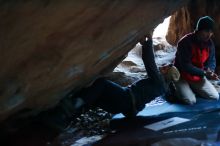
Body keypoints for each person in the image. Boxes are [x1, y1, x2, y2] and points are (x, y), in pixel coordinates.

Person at [71, 33, 176, 118]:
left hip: (124, 99)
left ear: (167, 74)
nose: (164, 66)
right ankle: (71, 113)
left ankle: (73, 107)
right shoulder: (164, 86)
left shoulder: (159, 81)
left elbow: (149, 62)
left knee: (101, 83)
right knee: (94, 96)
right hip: (123, 108)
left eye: (166, 67)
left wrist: (148, 42)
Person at [174, 16, 219, 105]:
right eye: (206, 31)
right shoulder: (185, 42)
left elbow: (212, 61)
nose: (209, 34)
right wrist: (205, 73)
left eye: (211, 32)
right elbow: (186, 66)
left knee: (214, 96)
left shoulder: (210, 44)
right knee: (190, 101)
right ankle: (173, 87)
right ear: (198, 30)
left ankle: (191, 88)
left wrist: (211, 71)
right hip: (181, 75)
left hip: (198, 76)